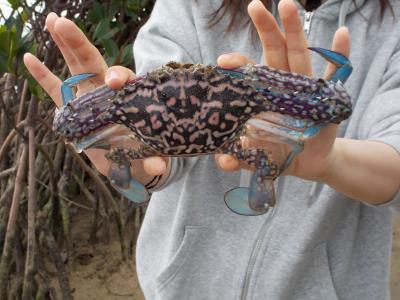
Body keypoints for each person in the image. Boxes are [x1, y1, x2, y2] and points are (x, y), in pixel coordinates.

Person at [24, 0, 400, 299]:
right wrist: (138, 163)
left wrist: (329, 163)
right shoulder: (196, 8)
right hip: (181, 285)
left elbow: (366, 126)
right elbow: (136, 152)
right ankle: (256, 190)